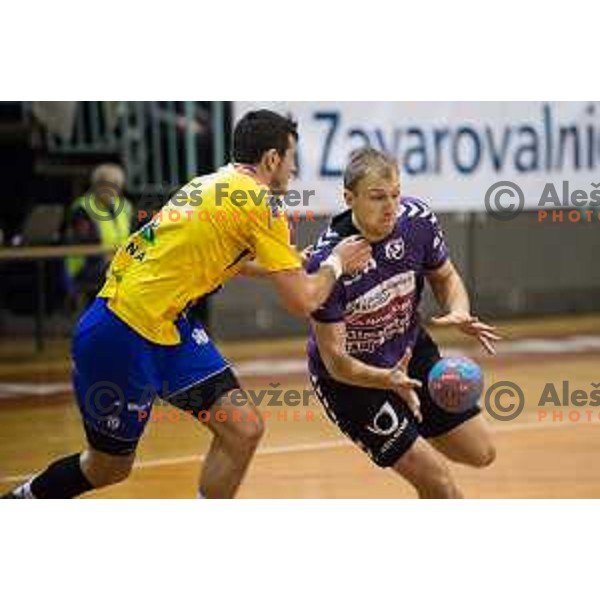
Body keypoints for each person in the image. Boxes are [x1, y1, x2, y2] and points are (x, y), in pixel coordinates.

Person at [2, 110, 372, 499]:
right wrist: (336, 263)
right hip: (121, 330)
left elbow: (221, 257)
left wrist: (286, 264)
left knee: (242, 427)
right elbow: (303, 301)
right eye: (292, 158)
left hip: (168, 328)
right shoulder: (261, 204)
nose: (295, 169)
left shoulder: (211, 183)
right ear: (272, 159)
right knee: (107, 467)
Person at [306, 148, 501, 499]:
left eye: (395, 194)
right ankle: (405, 443)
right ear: (349, 198)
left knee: (482, 452)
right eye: (377, 197)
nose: (390, 206)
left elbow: (445, 277)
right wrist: (386, 381)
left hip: (410, 353)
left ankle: (409, 436)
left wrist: (458, 308)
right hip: (351, 383)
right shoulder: (326, 262)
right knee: (439, 483)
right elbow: (334, 360)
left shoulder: (417, 221)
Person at [64, 163, 134, 307]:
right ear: (96, 185)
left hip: (117, 264)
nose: (111, 189)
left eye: (116, 184)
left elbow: (135, 236)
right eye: (106, 184)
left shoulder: (125, 206)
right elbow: (83, 243)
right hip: (87, 267)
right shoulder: (82, 208)